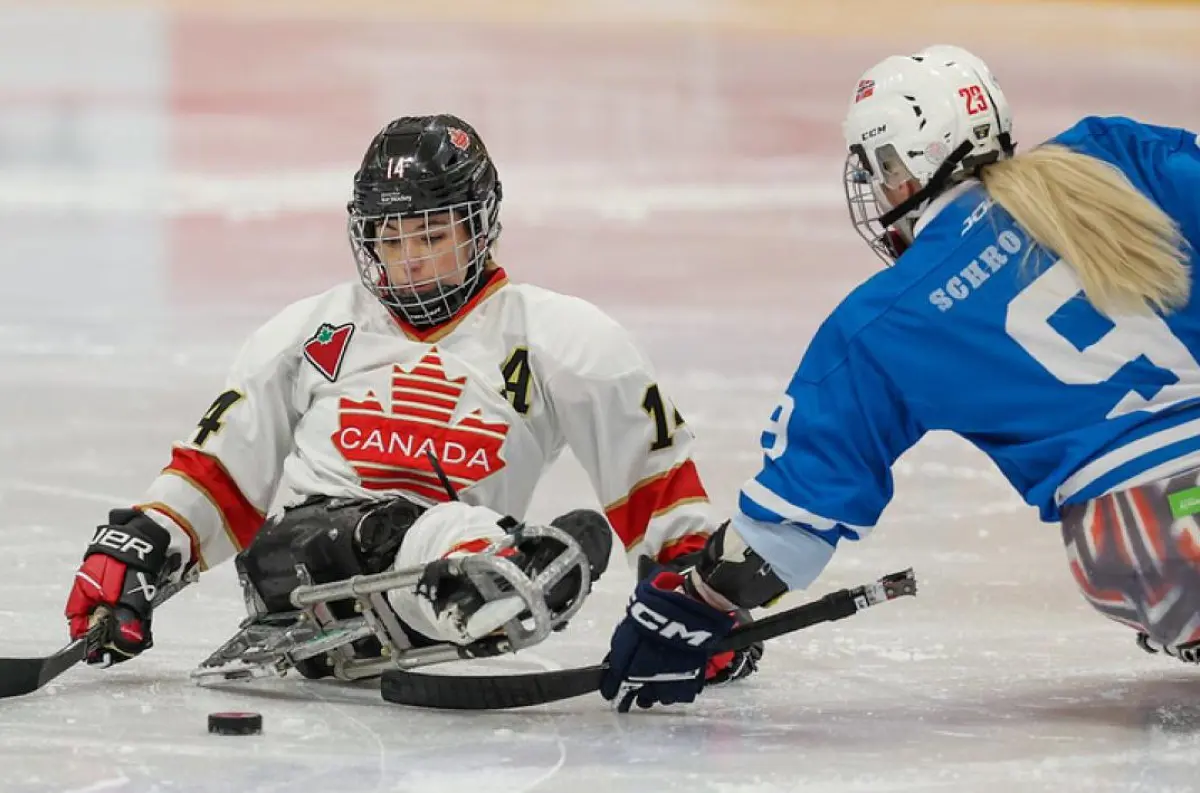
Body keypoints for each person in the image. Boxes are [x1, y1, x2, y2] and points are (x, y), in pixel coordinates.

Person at [599, 44, 1200, 712]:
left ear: (903, 168)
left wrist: (693, 603)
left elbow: (792, 519)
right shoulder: (1112, 155)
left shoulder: (888, 315)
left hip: (1143, 543)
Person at [63, 114, 760, 684]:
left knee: (457, 534)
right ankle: (504, 576)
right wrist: (139, 549)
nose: (412, 258)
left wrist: (698, 590)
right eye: (392, 237)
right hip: (302, 571)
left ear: (479, 226)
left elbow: (656, 478)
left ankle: (487, 579)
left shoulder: (561, 335)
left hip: (449, 573)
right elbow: (218, 469)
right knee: (400, 533)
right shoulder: (313, 328)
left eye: (432, 233)